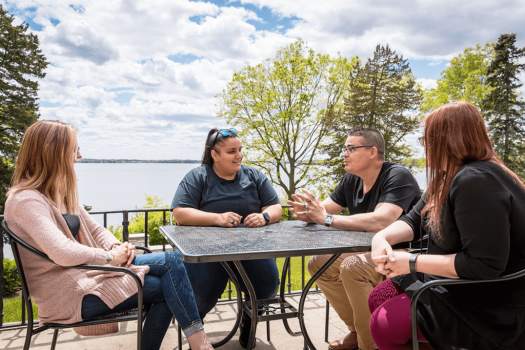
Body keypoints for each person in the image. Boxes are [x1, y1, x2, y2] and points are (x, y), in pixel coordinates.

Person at [4, 120, 213, 350]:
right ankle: (200, 345)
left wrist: (116, 246)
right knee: (168, 284)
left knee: (172, 262)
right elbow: (61, 251)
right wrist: (109, 258)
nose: (80, 155)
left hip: (84, 277)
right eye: (75, 149)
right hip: (67, 295)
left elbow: (95, 229)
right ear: (52, 152)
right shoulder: (25, 200)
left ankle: (199, 344)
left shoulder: (58, 192)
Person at [369, 101, 525, 350]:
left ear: (448, 139)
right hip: (456, 286)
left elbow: (484, 264)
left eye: (426, 140)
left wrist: (409, 261)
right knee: (379, 294)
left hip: (488, 304)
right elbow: (413, 220)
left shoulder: (476, 180)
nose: (424, 147)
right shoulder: (446, 177)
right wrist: (381, 238)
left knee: (383, 324)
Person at [288, 127, 422, 350]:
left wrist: (325, 218)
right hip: (371, 252)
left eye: (351, 148)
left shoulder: (397, 175)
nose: (344, 153)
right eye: (344, 148)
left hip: (405, 254)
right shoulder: (351, 180)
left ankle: (369, 345)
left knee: (352, 267)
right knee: (319, 263)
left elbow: (382, 221)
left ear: (372, 151)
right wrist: (308, 212)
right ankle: (358, 331)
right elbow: (325, 210)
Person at [171, 127, 282, 348]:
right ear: (215, 154)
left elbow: (275, 206)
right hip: (205, 252)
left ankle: (249, 319)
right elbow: (180, 214)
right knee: (198, 295)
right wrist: (218, 218)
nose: (239, 155)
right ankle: (197, 335)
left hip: (251, 249)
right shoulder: (197, 177)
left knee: (268, 287)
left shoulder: (254, 175)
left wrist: (265, 216)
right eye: (232, 151)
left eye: (240, 149)